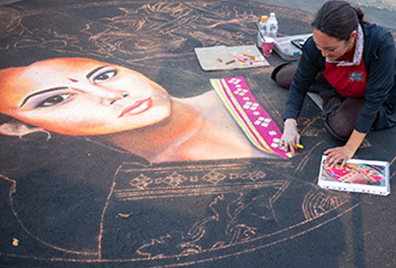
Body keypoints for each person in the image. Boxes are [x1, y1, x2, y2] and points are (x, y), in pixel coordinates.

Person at [0, 57, 283, 162]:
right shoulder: (117, 197)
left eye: (103, 75)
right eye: (54, 100)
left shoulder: (246, 92)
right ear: (21, 126)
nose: (111, 95)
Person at [276, 0, 396, 168]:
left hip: (369, 95)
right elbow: (299, 84)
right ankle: (331, 89)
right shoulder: (319, 49)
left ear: (351, 37)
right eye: (318, 46)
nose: (324, 55)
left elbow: (375, 100)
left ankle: (329, 93)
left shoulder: (380, 43)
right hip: (341, 78)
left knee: (341, 127)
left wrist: (349, 149)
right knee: (282, 77)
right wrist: (290, 124)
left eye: (330, 49)